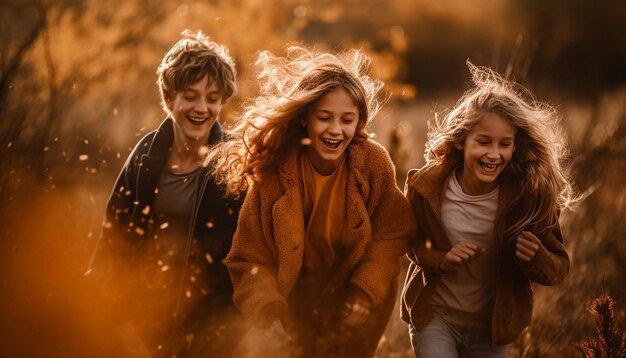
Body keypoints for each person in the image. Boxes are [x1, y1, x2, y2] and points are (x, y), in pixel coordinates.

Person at [207, 47, 416, 357]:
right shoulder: (275, 172)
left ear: (359, 122)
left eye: (347, 119)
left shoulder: (373, 164)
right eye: (325, 118)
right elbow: (247, 257)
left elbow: (392, 232)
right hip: (292, 311)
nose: (335, 129)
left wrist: (364, 290)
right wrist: (268, 309)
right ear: (305, 118)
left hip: (353, 308)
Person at [86, 30, 246, 357]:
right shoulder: (146, 154)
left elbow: (248, 249)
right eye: (191, 95)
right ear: (169, 96)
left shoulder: (233, 162)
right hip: (148, 316)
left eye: (213, 98)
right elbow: (114, 233)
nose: (202, 108)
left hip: (212, 325)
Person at [401, 62, 577, 357]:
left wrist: (536, 257)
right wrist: (442, 260)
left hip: (493, 328)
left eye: (504, 144)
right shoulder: (426, 187)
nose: (494, 154)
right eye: (483, 142)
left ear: (514, 146)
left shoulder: (527, 198)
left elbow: (558, 269)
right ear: (461, 141)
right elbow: (413, 244)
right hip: (435, 317)